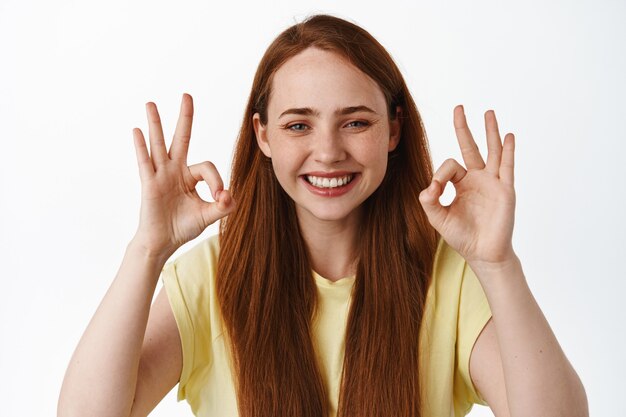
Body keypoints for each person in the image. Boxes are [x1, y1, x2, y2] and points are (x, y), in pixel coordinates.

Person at [58, 14, 588, 417]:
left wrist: (499, 264)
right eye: (298, 126)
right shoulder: (210, 277)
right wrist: (147, 250)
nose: (328, 151)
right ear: (263, 135)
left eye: (356, 122)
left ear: (394, 130)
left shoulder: (450, 277)